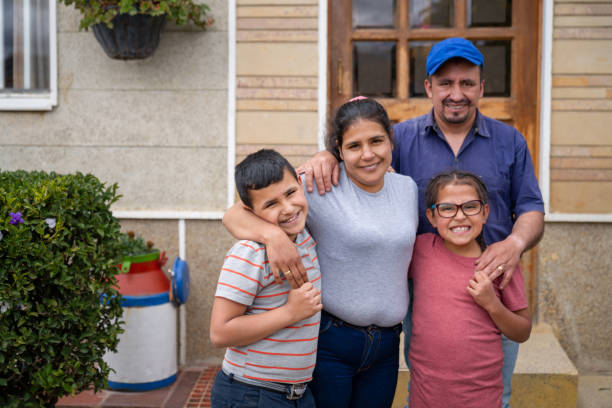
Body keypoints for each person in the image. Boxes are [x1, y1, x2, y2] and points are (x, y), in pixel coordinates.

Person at [299, 37, 545, 407]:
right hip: (425, 295)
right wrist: (327, 154)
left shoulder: (510, 141)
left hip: (491, 284)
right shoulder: (403, 138)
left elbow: (531, 208)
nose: (456, 93)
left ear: (482, 86)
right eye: (445, 83)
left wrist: (513, 245)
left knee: (494, 392)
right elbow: (364, 153)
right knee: (429, 387)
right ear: (428, 87)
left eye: (466, 83)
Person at [223, 97, 419, 408]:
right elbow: (234, 215)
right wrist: (274, 236)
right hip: (332, 341)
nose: (368, 154)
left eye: (377, 141)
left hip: (386, 345)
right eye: (354, 146)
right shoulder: (317, 185)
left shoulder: (407, 188)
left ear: (390, 142)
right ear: (338, 150)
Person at [209, 149, 323, 407]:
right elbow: (219, 332)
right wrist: (290, 313)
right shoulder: (249, 253)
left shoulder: (305, 236)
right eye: (270, 204)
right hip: (251, 393)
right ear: (251, 211)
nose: (288, 208)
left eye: (291, 193)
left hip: (297, 393)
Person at [409, 169, 532, 407]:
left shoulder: (500, 263)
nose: (459, 216)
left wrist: (492, 305)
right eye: (446, 208)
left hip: (480, 399)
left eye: (470, 206)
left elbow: (522, 332)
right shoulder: (420, 250)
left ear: (485, 212)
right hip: (425, 397)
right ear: (431, 217)